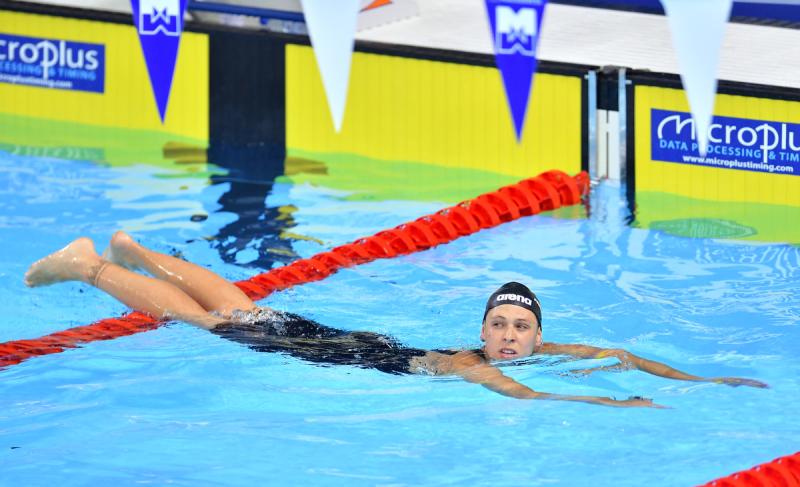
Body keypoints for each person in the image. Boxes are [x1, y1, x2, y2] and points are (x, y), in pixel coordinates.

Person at [25, 232, 767, 408]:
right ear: (483, 333)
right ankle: (90, 264)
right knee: (213, 323)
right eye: (500, 325)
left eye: (519, 327)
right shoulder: (477, 365)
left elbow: (624, 351)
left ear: (537, 335)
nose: (509, 336)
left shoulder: (542, 348)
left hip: (360, 344)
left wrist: (702, 377)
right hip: (341, 355)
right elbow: (530, 399)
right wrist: (610, 403)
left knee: (245, 308)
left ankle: (136, 249)